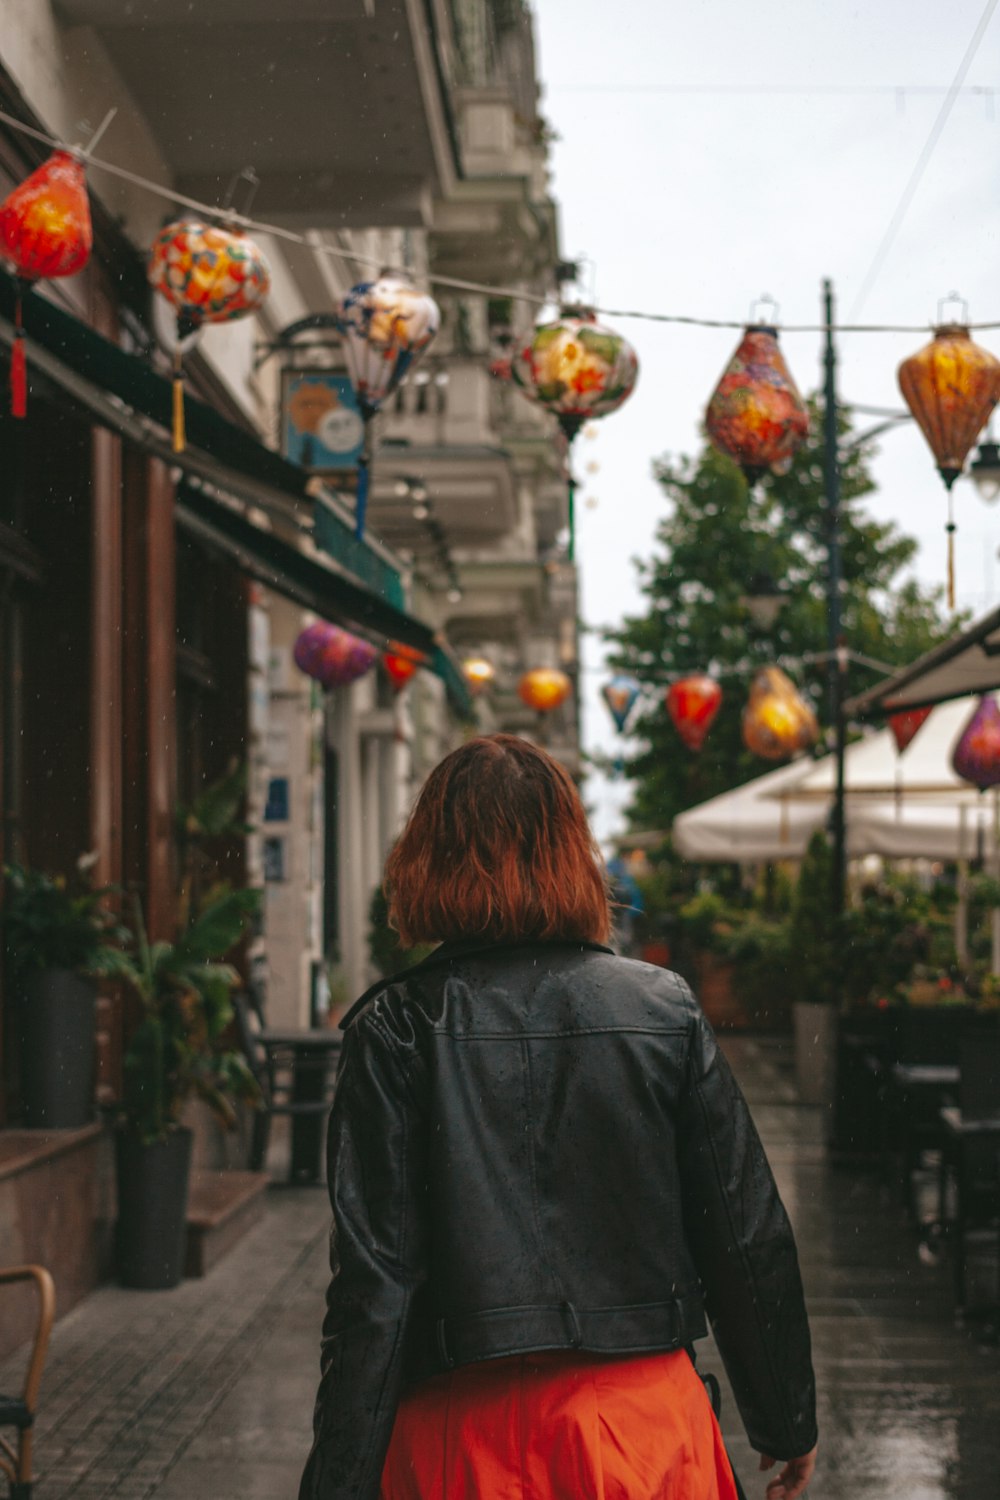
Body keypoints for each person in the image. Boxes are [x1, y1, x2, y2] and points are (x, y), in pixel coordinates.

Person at [300, 734, 818, 1500]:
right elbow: (745, 1239)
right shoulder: (662, 1010)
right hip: (642, 1429)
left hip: (460, 1438)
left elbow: (376, 1290)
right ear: (573, 854)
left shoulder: (395, 1029)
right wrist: (785, 1420)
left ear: (425, 858)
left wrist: (336, 1483)